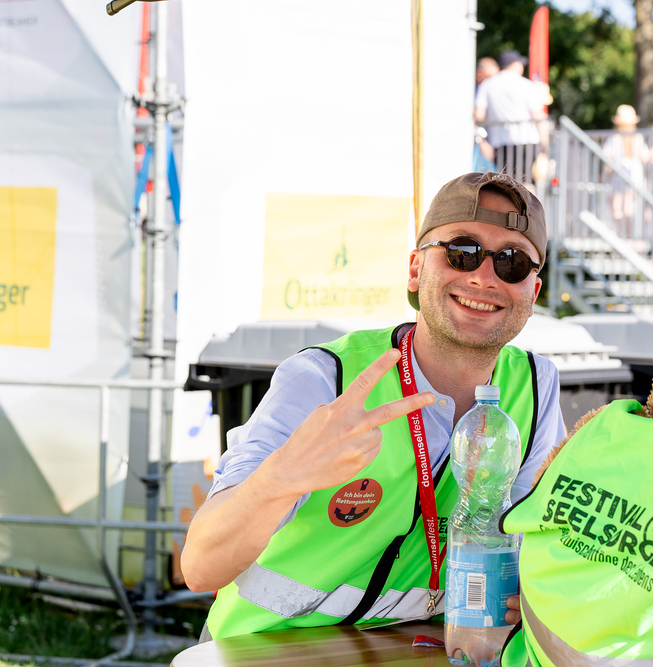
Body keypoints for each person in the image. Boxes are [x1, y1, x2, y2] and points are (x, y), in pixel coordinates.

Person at [181, 172, 566, 639]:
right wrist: (283, 477)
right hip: (259, 648)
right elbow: (200, 567)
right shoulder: (323, 379)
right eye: (461, 251)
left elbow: (534, 544)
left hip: (410, 648)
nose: (483, 277)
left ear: (533, 292)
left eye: (512, 262)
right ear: (415, 269)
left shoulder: (537, 387)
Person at [474, 49, 549, 184]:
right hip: (528, 140)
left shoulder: (487, 85)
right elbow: (538, 115)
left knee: (508, 185)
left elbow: (479, 115)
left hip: (500, 143)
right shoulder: (526, 84)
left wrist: (482, 141)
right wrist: (545, 142)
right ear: (514, 65)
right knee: (526, 185)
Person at [603, 104, 653, 235]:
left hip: (628, 179)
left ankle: (625, 236)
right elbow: (644, 157)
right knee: (622, 210)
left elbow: (608, 159)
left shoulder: (629, 138)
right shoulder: (618, 138)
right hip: (625, 178)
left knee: (622, 210)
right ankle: (626, 236)